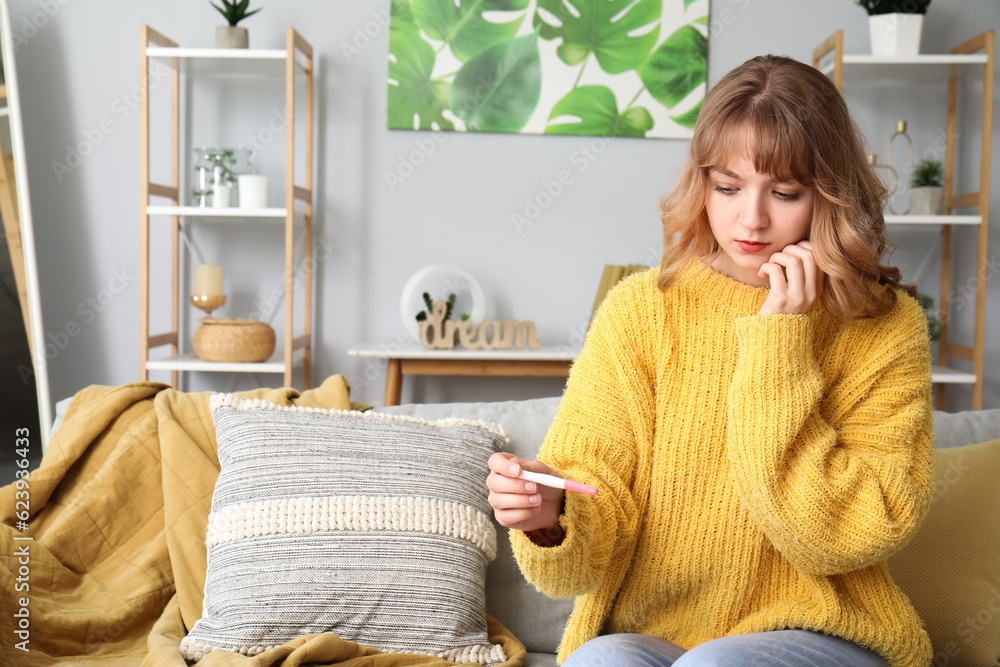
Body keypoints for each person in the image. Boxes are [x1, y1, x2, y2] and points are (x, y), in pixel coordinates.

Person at [486, 54, 934, 667]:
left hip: (826, 632)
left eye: (784, 192)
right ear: (702, 184)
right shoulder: (642, 310)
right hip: (654, 635)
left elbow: (850, 533)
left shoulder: (885, 327)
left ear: (828, 196)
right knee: (600, 662)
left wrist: (780, 340)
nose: (750, 219)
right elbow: (589, 514)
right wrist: (551, 516)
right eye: (727, 187)